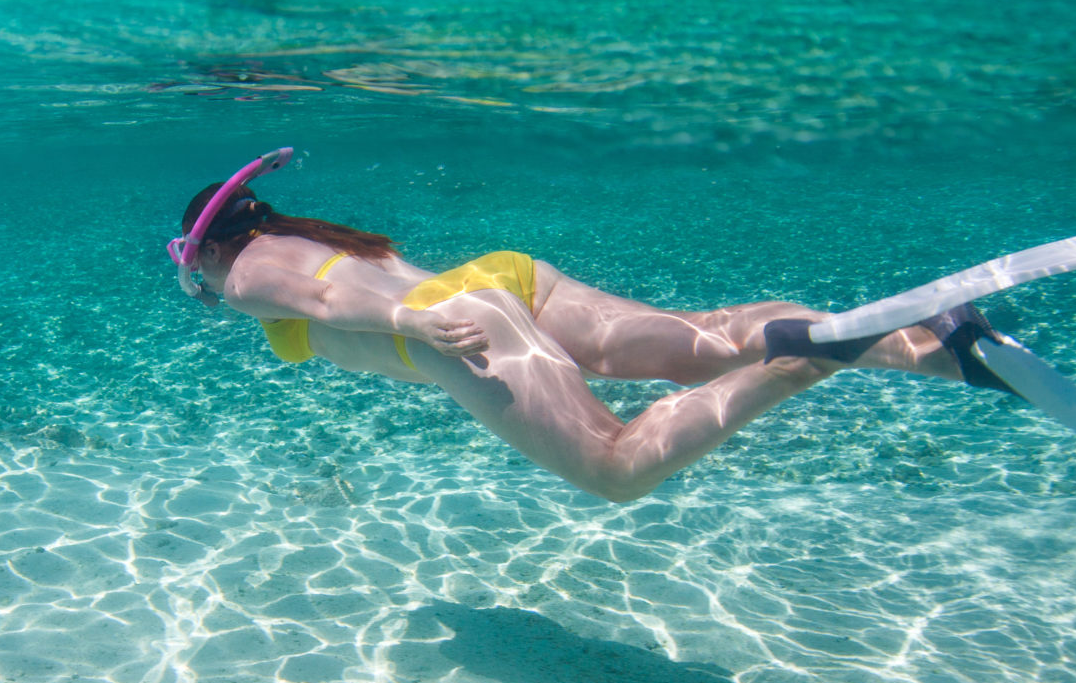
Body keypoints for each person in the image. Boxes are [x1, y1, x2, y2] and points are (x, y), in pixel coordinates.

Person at [170, 164, 970, 504]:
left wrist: (408, 320)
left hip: (457, 328)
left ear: (208, 245)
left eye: (196, 263)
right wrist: (416, 306)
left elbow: (317, 301)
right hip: (504, 277)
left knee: (616, 469)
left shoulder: (244, 272)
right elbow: (332, 278)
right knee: (708, 341)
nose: (207, 280)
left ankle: (813, 357)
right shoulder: (315, 235)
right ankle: (928, 343)